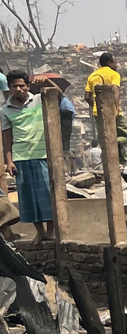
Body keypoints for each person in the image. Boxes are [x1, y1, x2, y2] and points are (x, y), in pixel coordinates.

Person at [2, 71, 57, 244]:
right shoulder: (4, 110)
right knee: (29, 199)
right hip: (21, 157)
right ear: (9, 88)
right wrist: (9, 161)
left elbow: (58, 96)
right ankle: (39, 232)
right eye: (14, 86)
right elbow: (7, 138)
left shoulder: (40, 100)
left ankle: (51, 232)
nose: (19, 89)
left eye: (22, 86)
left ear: (28, 86)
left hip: (42, 155)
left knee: (48, 195)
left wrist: (47, 81)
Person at [84, 52, 127, 164]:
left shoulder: (92, 75)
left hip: (98, 113)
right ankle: (114, 144)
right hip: (113, 112)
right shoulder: (114, 74)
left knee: (104, 138)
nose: (117, 65)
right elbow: (115, 90)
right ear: (110, 62)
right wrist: (117, 107)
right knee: (126, 136)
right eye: (115, 62)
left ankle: (118, 161)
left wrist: (95, 106)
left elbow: (86, 97)